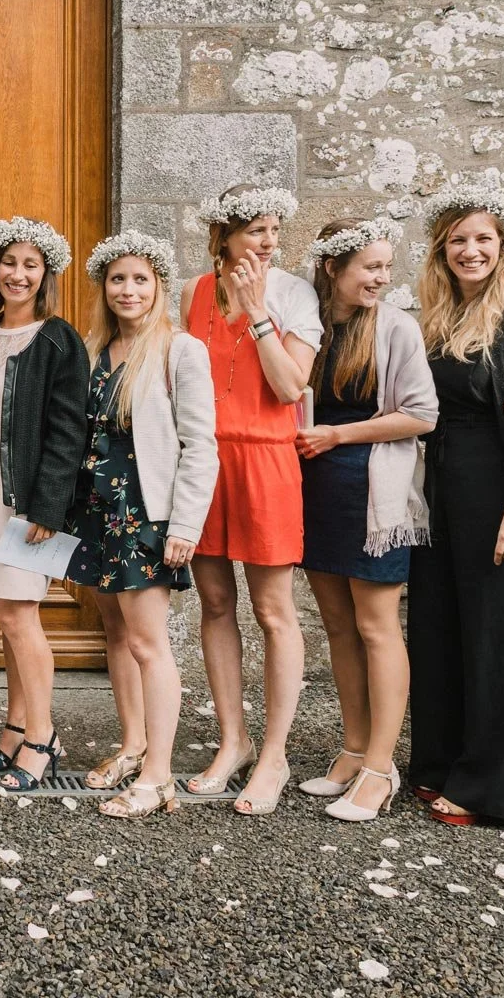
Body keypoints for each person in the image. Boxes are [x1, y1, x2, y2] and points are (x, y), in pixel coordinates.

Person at [408, 179, 504, 827]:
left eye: (483, 239)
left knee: (497, 636)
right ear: (441, 251)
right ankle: (439, 762)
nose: (470, 251)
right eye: (457, 241)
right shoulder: (435, 316)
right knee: (438, 629)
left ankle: (488, 788)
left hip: (500, 486)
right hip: (439, 487)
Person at [181, 185, 321, 815]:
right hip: (205, 458)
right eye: (256, 230)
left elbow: (291, 384)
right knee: (214, 601)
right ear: (225, 236)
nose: (268, 241)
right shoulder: (190, 292)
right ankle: (232, 740)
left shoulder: (294, 293)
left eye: (274, 231)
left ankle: (275, 754)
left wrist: (258, 310)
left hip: (266, 455)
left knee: (272, 609)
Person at [293, 218, 438, 823]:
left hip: (372, 490)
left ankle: (382, 765)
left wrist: (336, 434)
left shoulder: (396, 327)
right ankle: (353, 749)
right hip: (316, 490)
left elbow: (422, 414)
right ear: (332, 268)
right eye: (369, 268)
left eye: (385, 267)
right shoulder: (310, 326)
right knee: (337, 627)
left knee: (377, 625)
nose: (381, 278)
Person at [71, 233, 218, 820]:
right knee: (114, 633)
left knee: (149, 643)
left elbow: (200, 445)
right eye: (117, 280)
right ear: (103, 289)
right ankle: (133, 745)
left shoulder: (179, 351)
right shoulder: (92, 350)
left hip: (146, 515)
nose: (128, 290)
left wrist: (184, 523)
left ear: (157, 287)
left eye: (140, 279)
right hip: (97, 511)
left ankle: (159, 776)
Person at [0, 218, 87, 792]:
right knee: (5, 616)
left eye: (31, 265)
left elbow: (67, 432)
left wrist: (48, 511)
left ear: (45, 274)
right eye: (10, 263)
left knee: (19, 614)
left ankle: (43, 736)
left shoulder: (58, 339)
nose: (18, 274)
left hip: (33, 503)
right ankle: (13, 725)